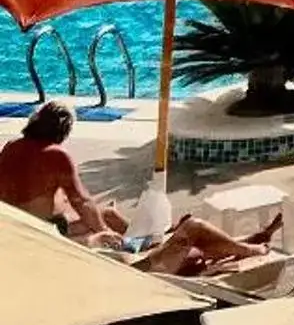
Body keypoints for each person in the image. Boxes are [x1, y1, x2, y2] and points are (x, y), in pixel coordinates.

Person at [0, 104, 278, 275]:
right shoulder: (54, 155)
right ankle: (251, 250)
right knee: (194, 228)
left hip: (35, 235)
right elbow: (81, 201)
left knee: (108, 214)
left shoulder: (11, 149)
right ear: (63, 131)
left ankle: (152, 242)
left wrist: (100, 226)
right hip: (80, 250)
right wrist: (102, 235)